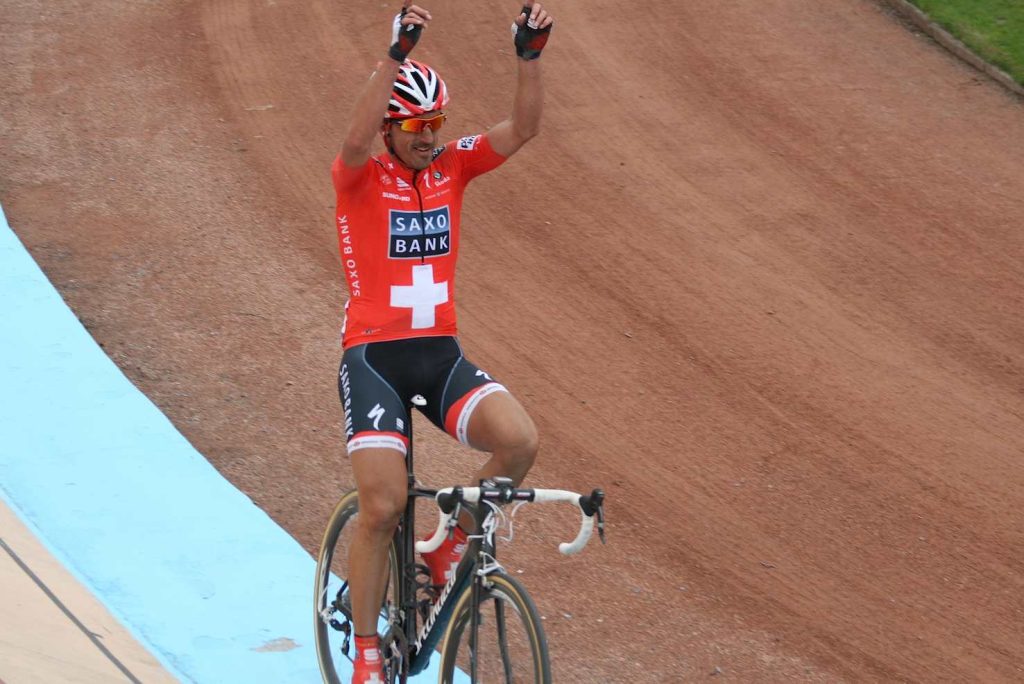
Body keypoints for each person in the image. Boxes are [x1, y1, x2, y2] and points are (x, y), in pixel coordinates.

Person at [331, 2, 554, 682]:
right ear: (393, 127)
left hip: (438, 354)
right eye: (418, 126)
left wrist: (529, 57)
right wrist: (394, 56)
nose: (432, 137)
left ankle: (446, 544)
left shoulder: (452, 168)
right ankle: (368, 652)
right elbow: (355, 140)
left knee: (519, 441)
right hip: (372, 359)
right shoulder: (361, 178)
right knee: (382, 505)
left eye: (438, 124)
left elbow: (522, 129)